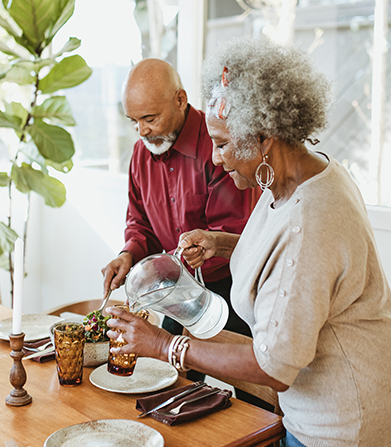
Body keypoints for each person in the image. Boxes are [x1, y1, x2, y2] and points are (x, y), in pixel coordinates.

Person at [105, 36, 391, 447]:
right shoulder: (289, 181)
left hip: (339, 426)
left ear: (264, 138)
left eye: (222, 144)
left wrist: (165, 344)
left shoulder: (310, 217)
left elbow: (274, 367)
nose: (216, 158)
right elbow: (280, 255)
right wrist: (220, 244)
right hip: (312, 408)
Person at [101, 58, 259, 380]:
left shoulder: (219, 144)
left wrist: (207, 244)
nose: (142, 130)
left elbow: (237, 229)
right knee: (166, 379)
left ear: (180, 100)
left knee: (250, 392)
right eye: (134, 121)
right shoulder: (141, 153)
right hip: (176, 289)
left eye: (150, 118)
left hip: (232, 286)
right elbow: (140, 222)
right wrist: (128, 254)